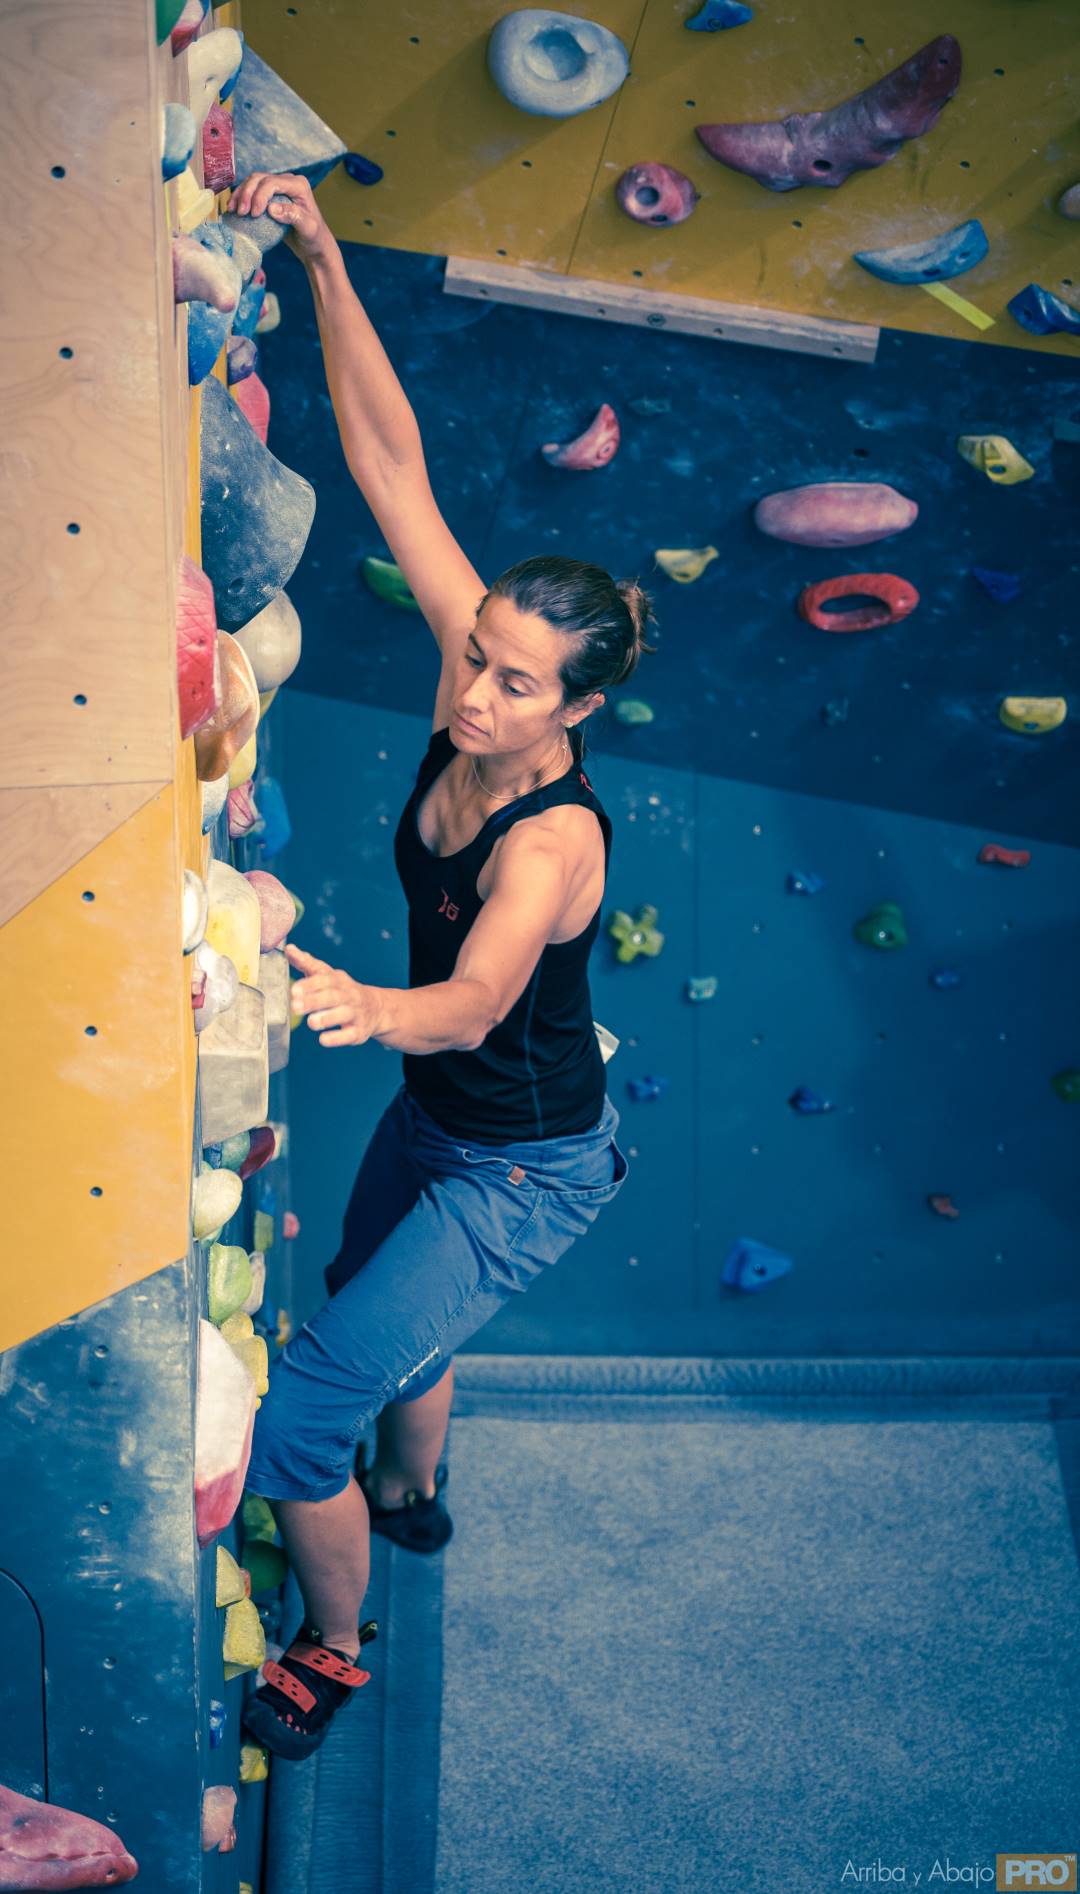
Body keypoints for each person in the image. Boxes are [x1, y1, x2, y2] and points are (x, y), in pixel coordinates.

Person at [230, 170, 650, 1762]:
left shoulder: (553, 842)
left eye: (517, 684)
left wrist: (357, 1000)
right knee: (376, 1314)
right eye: (477, 654)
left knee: (296, 1418)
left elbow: (473, 1002)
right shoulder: (467, 676)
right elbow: (390, 461)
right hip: (446, 1121)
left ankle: (334, 1644)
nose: (474, 693)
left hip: (523, 1165)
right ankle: (410, 1493)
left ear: (576, 712)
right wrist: (324, 257)